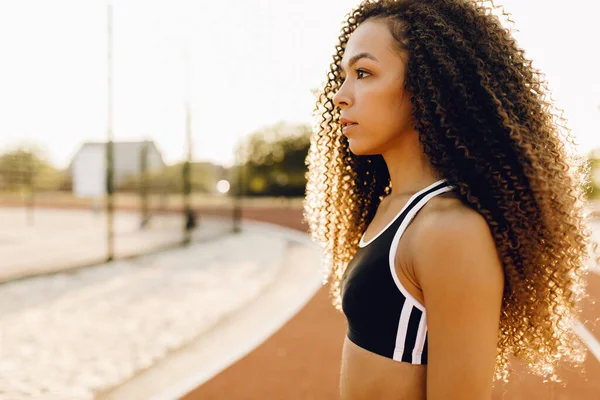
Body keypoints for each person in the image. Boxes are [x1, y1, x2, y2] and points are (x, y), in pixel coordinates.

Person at [302, 0, 600, 398]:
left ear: (427, 85)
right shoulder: (393, 206)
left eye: (364, 73)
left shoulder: (449, 229)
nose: (340, 96)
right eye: (343, 76)